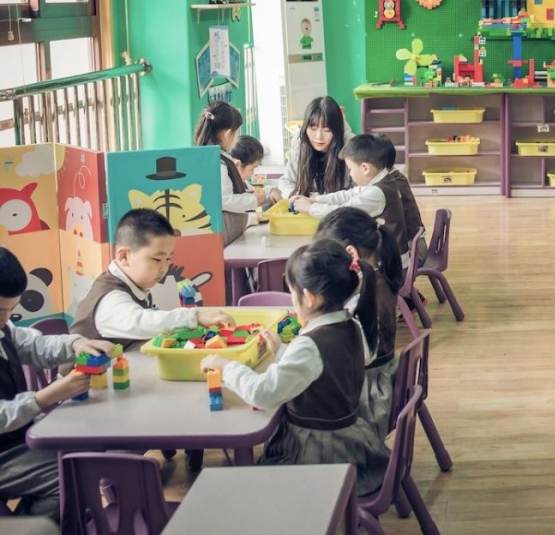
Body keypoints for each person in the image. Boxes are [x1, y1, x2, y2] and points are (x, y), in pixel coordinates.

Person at [202, 240, 389, 497]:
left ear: (309, 297)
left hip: (317, 453)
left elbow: (262, 394)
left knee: (245, 489)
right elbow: (323, 371)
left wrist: (226, 367)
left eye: (291, 291)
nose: (292, 298)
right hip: (350, 440)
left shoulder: (309, 346)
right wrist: (281, 350)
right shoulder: (352, 325)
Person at [0, 248, 112, 519]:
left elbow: (36, 345)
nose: (5, 319)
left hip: (18, 440)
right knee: (68, 475)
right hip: (6, 451)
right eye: (0, 310)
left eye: (11, 310)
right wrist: (44, 397)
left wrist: (77, 344)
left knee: (80, 456)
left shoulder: (5, 329)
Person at [70, 209, 233, 349]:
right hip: (86, 376)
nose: (164, 267)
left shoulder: (134, 284)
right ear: (124, 256)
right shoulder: (110, 297)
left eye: (168, 259)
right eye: (157, 259)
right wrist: (193, 317)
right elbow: (139, 322)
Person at [315, 207, 404, 440]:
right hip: (378, 380)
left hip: (366, 397)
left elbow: (351, 355)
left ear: (350, 252)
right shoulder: (376, 278)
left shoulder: (362, 293)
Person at [293, 134, 407, 247]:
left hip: (388, 256)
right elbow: (348, 195)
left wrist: (310, 208)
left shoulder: (377, 193)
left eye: (350, 169)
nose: (350, 173)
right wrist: (314, 200)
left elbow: (342, 213)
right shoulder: (380, 180)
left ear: (365, 168)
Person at [194, 100, 258, 245]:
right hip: (225, 234)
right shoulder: (219, 162)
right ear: (228, 134)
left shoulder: (207, 156)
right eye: (237, 133)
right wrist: (254, 200)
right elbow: (224, 199)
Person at [270, 96, 352, 202]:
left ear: (337, 129)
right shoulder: (300, 143)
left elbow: (357, 193)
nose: (318, 136)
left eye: (327, 130)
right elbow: (287, 180)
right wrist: (296, 196)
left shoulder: (350, 148)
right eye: (313, 128)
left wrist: (313, 200)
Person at [230, 134, 268, 209]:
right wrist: (254, 200)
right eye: (252, 168)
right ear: (237, 165)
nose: (253, 173)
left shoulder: (243, 183)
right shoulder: (227, 188)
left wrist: (271, 191)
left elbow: (253, 190)